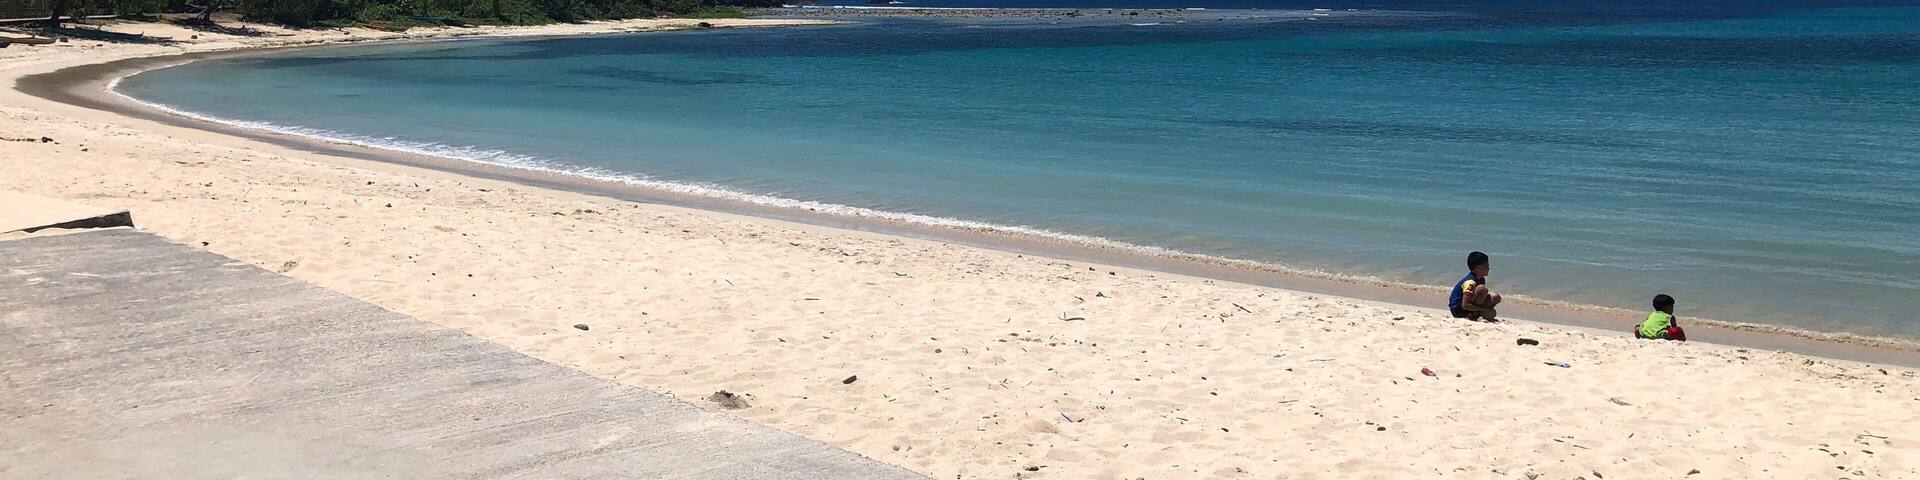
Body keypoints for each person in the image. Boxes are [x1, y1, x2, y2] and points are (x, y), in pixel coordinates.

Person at [1447, 251, 1501, 321]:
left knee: (1495, 298)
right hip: (1458, 309)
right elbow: (1465, 305)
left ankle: (1476, 313)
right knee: (1482, 289)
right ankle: (1476, 312)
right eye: (1487, 266)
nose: (1488, 268)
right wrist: (1483, 309)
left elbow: (1480, 297)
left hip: (1470, 304)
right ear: (1479, 268)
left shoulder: (1481, 279)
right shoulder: (1470, 282)